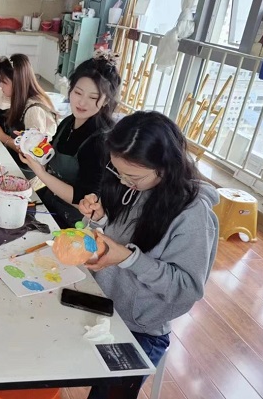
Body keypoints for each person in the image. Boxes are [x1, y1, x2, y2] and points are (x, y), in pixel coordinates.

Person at [78, 111, 219, 399]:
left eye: (132, 176)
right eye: (118, 171)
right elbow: (123, 238)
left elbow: (187, 289)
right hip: (104, 306)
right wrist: (101, 219)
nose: (123, 180)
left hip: (141, 329)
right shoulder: (135, 185)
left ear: (165, 167)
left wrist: (128, 259)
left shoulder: (193, 215)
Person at [19, 52, 119, 228]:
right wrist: (32, 146)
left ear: (105, 101)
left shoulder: (100, 141)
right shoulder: (68, 122)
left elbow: (84, 200)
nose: (82, 102)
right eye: (78, 92)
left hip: (74, 222)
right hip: (51, 202)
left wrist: (41, 173)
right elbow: (50, 156)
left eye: (93, 97)